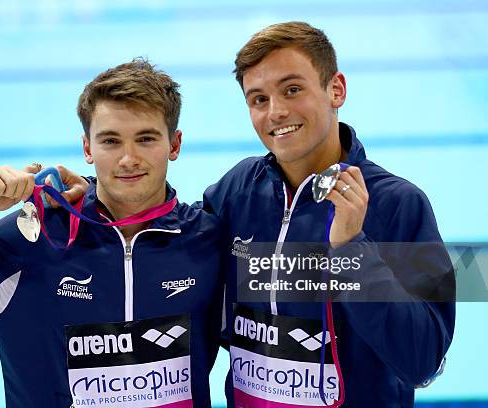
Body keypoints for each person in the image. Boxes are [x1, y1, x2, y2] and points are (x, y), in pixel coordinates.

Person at [55, 22, 455, 407]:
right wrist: (94, 193)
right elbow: (168, 230)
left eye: (292, 89)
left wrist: (352, 251)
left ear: (336, 89)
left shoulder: (397, 205)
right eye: (259, 99)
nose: (276, 111)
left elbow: (423, 360)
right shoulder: (241, 190)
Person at [0, 59, 225, 408]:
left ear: (174, 144)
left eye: (146, 139)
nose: (128, 158)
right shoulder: (35, 236)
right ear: (87, 149)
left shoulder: (207, 240)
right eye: (111, 141)